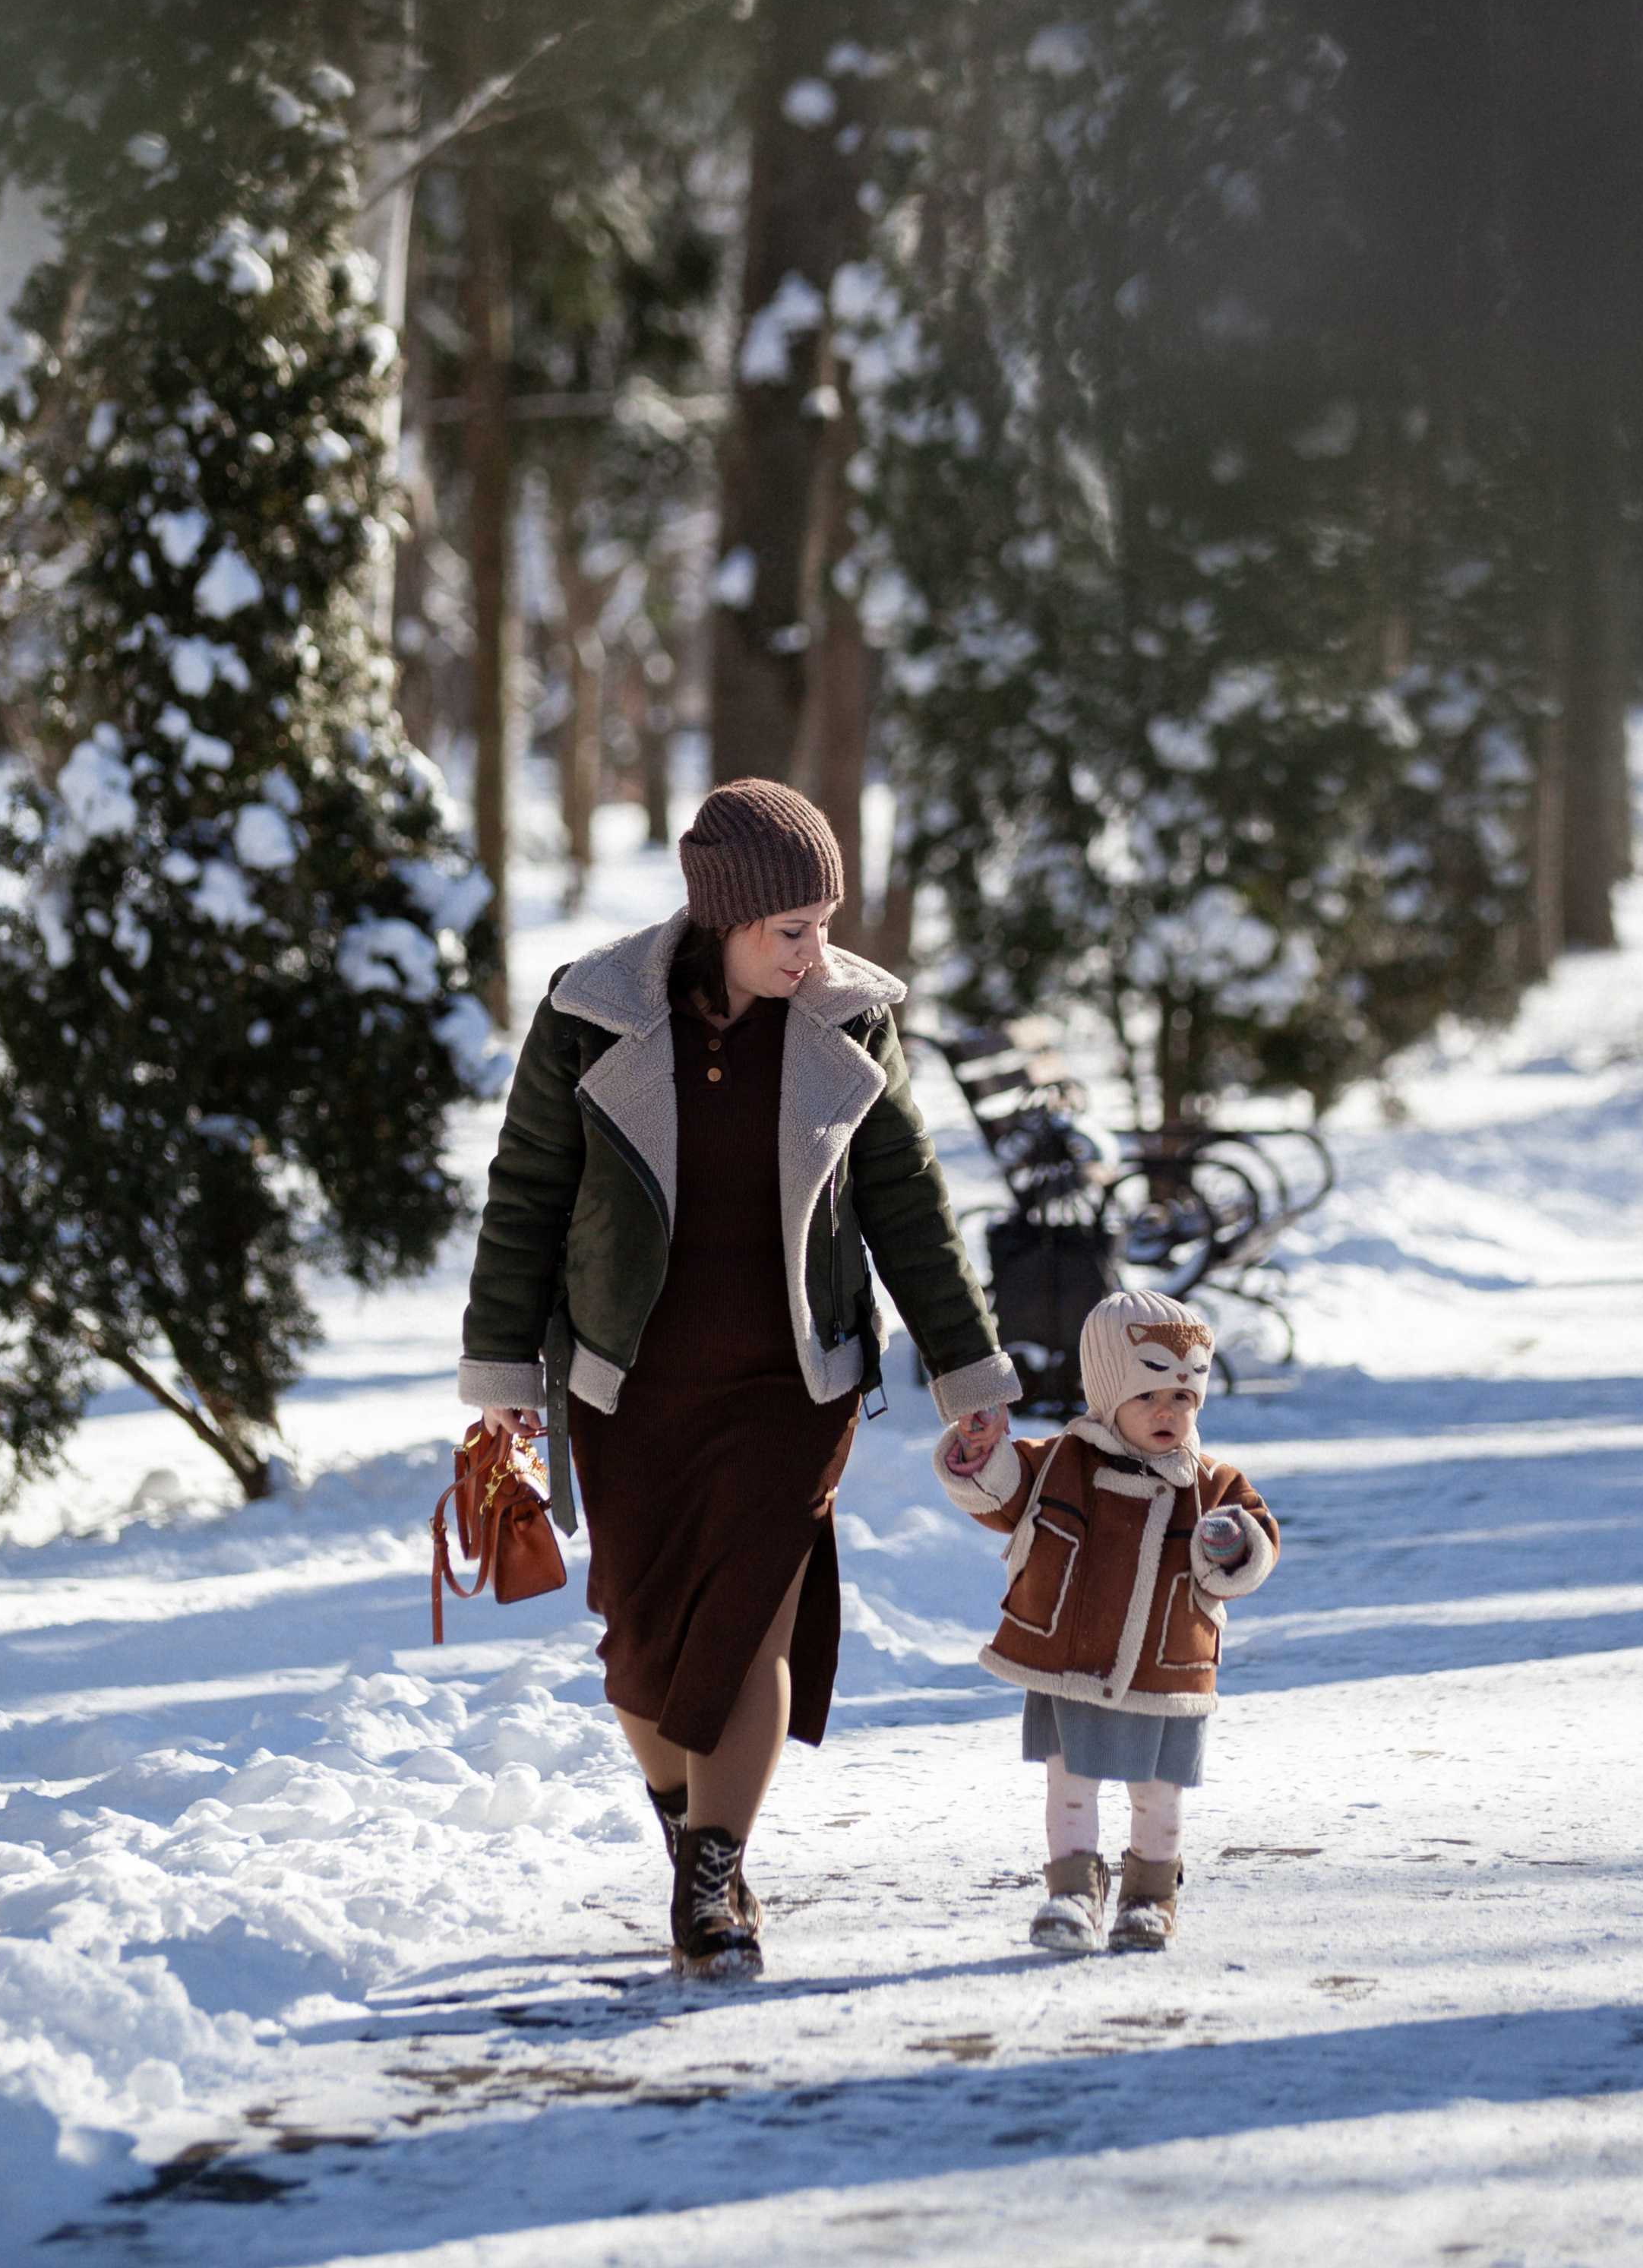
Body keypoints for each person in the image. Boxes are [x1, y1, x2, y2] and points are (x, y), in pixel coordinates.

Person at [460, 777, 1020, 1979]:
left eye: (825, 925)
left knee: (749, 1631)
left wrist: (969, 1372)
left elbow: (907, 1201)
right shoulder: (591, 1014)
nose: (817, 956)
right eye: (793, 931)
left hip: (791, 1387)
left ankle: (710, 1884)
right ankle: (689, 1833)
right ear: (724, 917)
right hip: (630, 1386)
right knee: (643, 1654)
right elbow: (525, 1198)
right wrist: (503, 1367)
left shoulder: (846, 1024)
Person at [937, 1286, 1277, 1956]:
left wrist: (1233, 1545)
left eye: (1184, 1398)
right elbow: (995, 1489)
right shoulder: (1060, 1463)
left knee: (1157, 1795)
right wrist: (978, 1450)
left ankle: (1150, 1897)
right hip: (1070, 1660)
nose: (1168, 1412)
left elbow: (1256, 1546)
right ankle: (1071, 1893)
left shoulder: (1212, 1483)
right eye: (1149, 1395)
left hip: (1165, 1666)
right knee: (1070, 1788)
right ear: (1106, 1391)